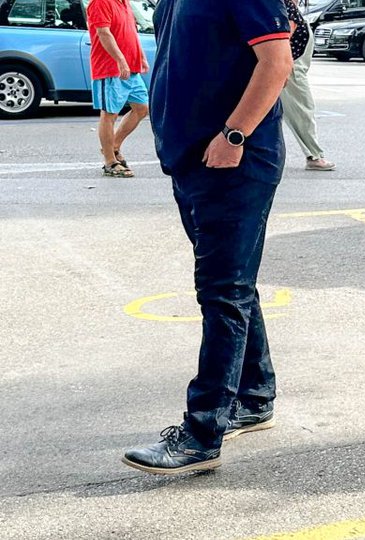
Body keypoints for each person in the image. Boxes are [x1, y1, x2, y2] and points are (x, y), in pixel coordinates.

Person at [121, 0, 294, 474]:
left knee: (223, 293)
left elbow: (277, 61)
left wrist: (234, 135)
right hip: (192, 162)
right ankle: (254, 397)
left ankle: (202, 433)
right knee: (232, 286)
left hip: (235, 163)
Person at [86, 0, 150, 178]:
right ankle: (110, 162)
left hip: (131, 68)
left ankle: (113, 146)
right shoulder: (100, 2)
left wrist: (141, 57)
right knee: (109, 114)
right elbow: (103, 33)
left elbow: (131, 33)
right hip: (110, 69)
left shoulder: (124, 3)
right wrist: (120, 60)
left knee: (142, 108)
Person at [281, 0, 337, 171]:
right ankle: (314, 156)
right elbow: (284, 38)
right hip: (291, 68)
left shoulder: (288, 6)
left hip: (292, 67)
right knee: (303, 111)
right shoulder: (287, 7)